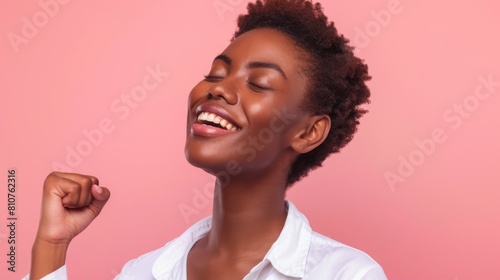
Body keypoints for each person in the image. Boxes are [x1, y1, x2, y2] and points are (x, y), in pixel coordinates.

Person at [26, 0, 387, 279]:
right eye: (215, 73)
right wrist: (51, 246)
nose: (218, 89)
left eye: (258, 83)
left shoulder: (345, 273)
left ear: (308, 132)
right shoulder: (146, 272)